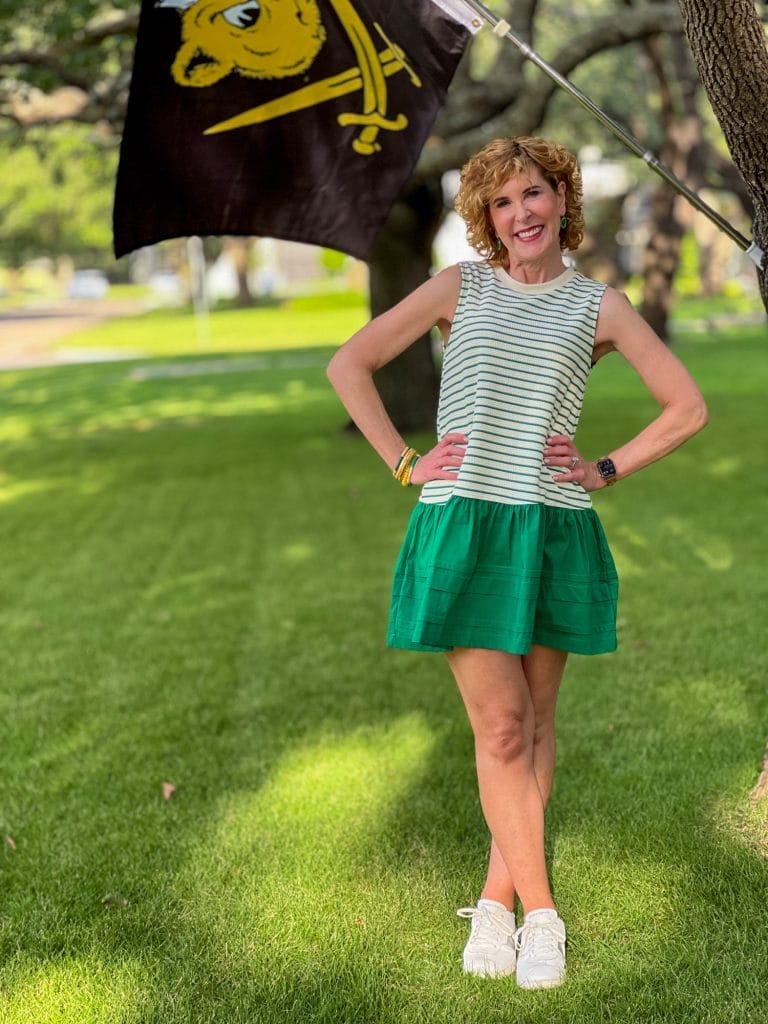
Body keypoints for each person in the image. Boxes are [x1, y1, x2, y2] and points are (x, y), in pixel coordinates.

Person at [326, 136, 707, 990]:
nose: (521, 213)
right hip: (465, 525)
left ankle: (497, 903)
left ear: (562, 201)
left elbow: (687, 407)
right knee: (499, 729)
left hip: (552, 525)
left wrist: (605, 468)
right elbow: (350, 364)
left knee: (534, 728)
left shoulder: (598, 308)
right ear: (486, 218)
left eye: (534, 194)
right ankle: (544, 916)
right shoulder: (458, 287)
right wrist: (403, 461)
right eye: (502, 202)